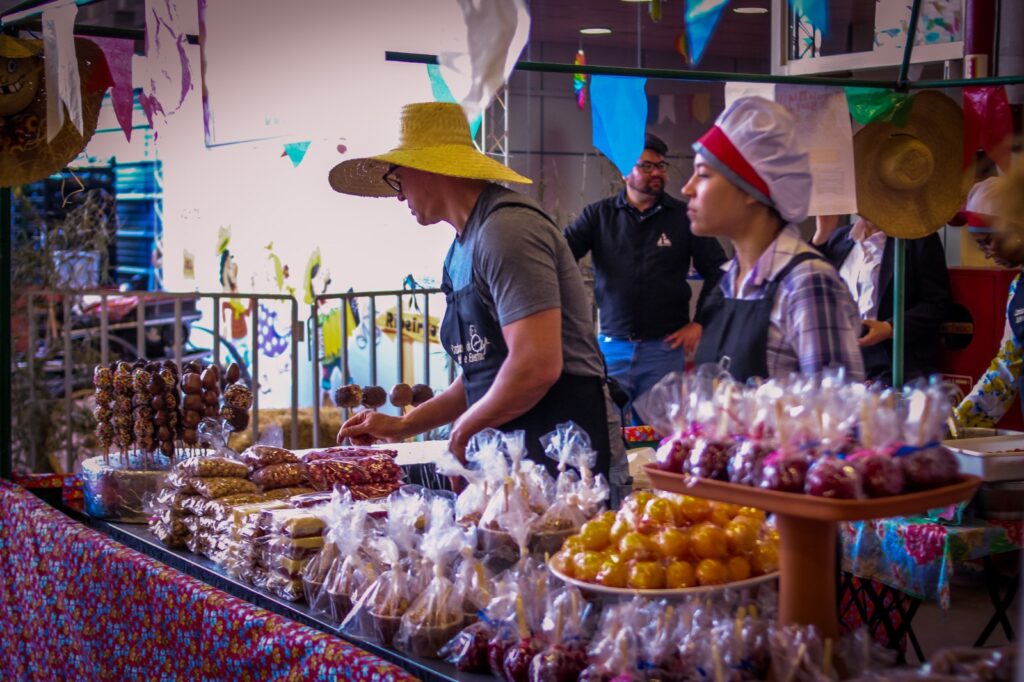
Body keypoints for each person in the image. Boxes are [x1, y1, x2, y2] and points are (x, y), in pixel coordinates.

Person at [328, 101, 626, 485]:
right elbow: (482, 373)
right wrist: (404, 425)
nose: (399, 196)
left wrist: (462, 431)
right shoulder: (459, 252)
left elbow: (536, 365)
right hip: (513, 451)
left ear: (428, 168)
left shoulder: (507, 231)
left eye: (397, 179)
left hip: (568, 447)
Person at [684, 96, 864, 382]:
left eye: (703, 175)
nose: (687, 188)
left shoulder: (807, 284)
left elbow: (838, 415)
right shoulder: (729, 282)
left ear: (749, 189)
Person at [564, 133, 727, 422]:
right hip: (611, 347)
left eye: (661, 166)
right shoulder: (599, 216)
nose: (656, 173)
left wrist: (701, 322)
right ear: (626, 172)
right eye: (647, 166)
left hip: (665, 350)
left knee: (660, 436)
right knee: (605, 428)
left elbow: (719, 270)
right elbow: (560, 256)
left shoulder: (684, 216)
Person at [812, 215, 951, 385]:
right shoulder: (840, 237)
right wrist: (821, 236)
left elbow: (937, 304)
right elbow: (806, 289)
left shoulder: (918, 237)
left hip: (893, 361)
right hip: (842, 363)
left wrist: (890, 328)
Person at [953, 176, 1024, 427]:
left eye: (987, 241)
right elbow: (1006, 370)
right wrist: (955, 423)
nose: (985, 253)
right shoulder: (1018, 289)